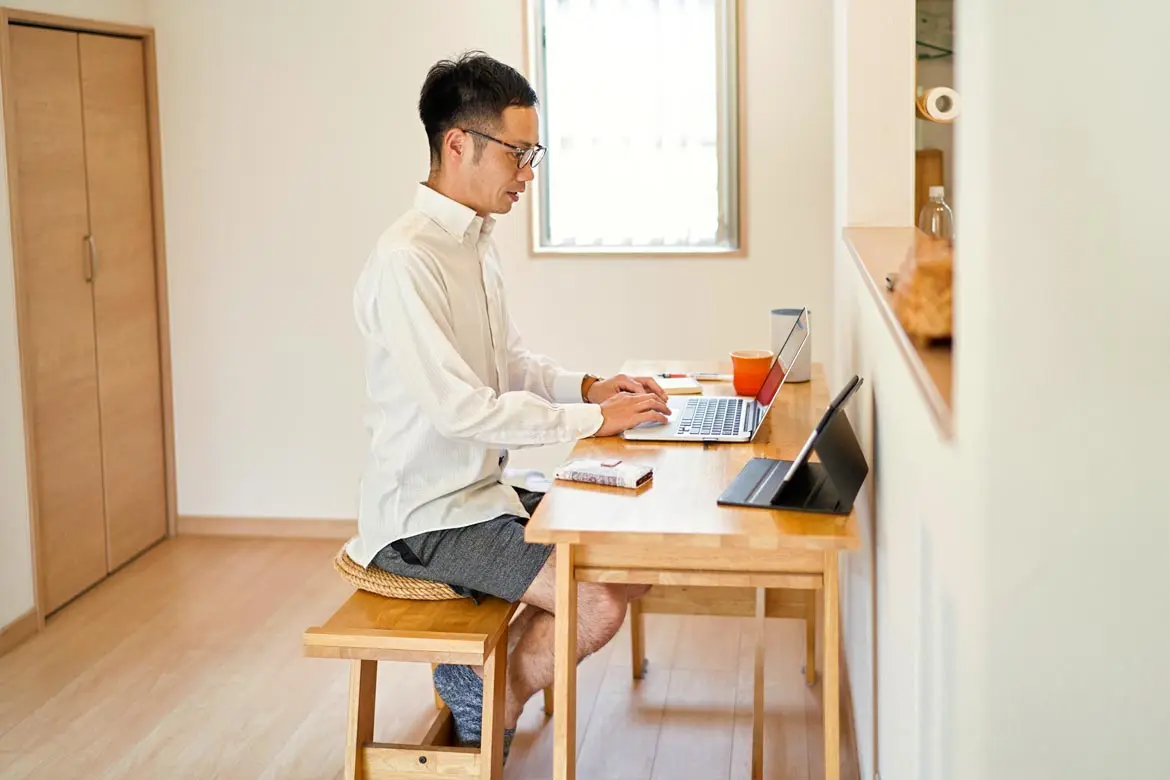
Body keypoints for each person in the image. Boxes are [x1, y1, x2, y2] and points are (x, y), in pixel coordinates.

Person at [347, 51, 672, 758]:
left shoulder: (475, 242)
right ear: (457, 143)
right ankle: (494, 698)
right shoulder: (408, 259)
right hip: (427, 519)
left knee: (633, 555)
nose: (528, 175)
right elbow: (461, 410)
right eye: (517, 154)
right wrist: (592, 422)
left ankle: (483, 679)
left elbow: (510, 365)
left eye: (534, 155)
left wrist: (590, 388)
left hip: (483, 492)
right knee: (596, 597)